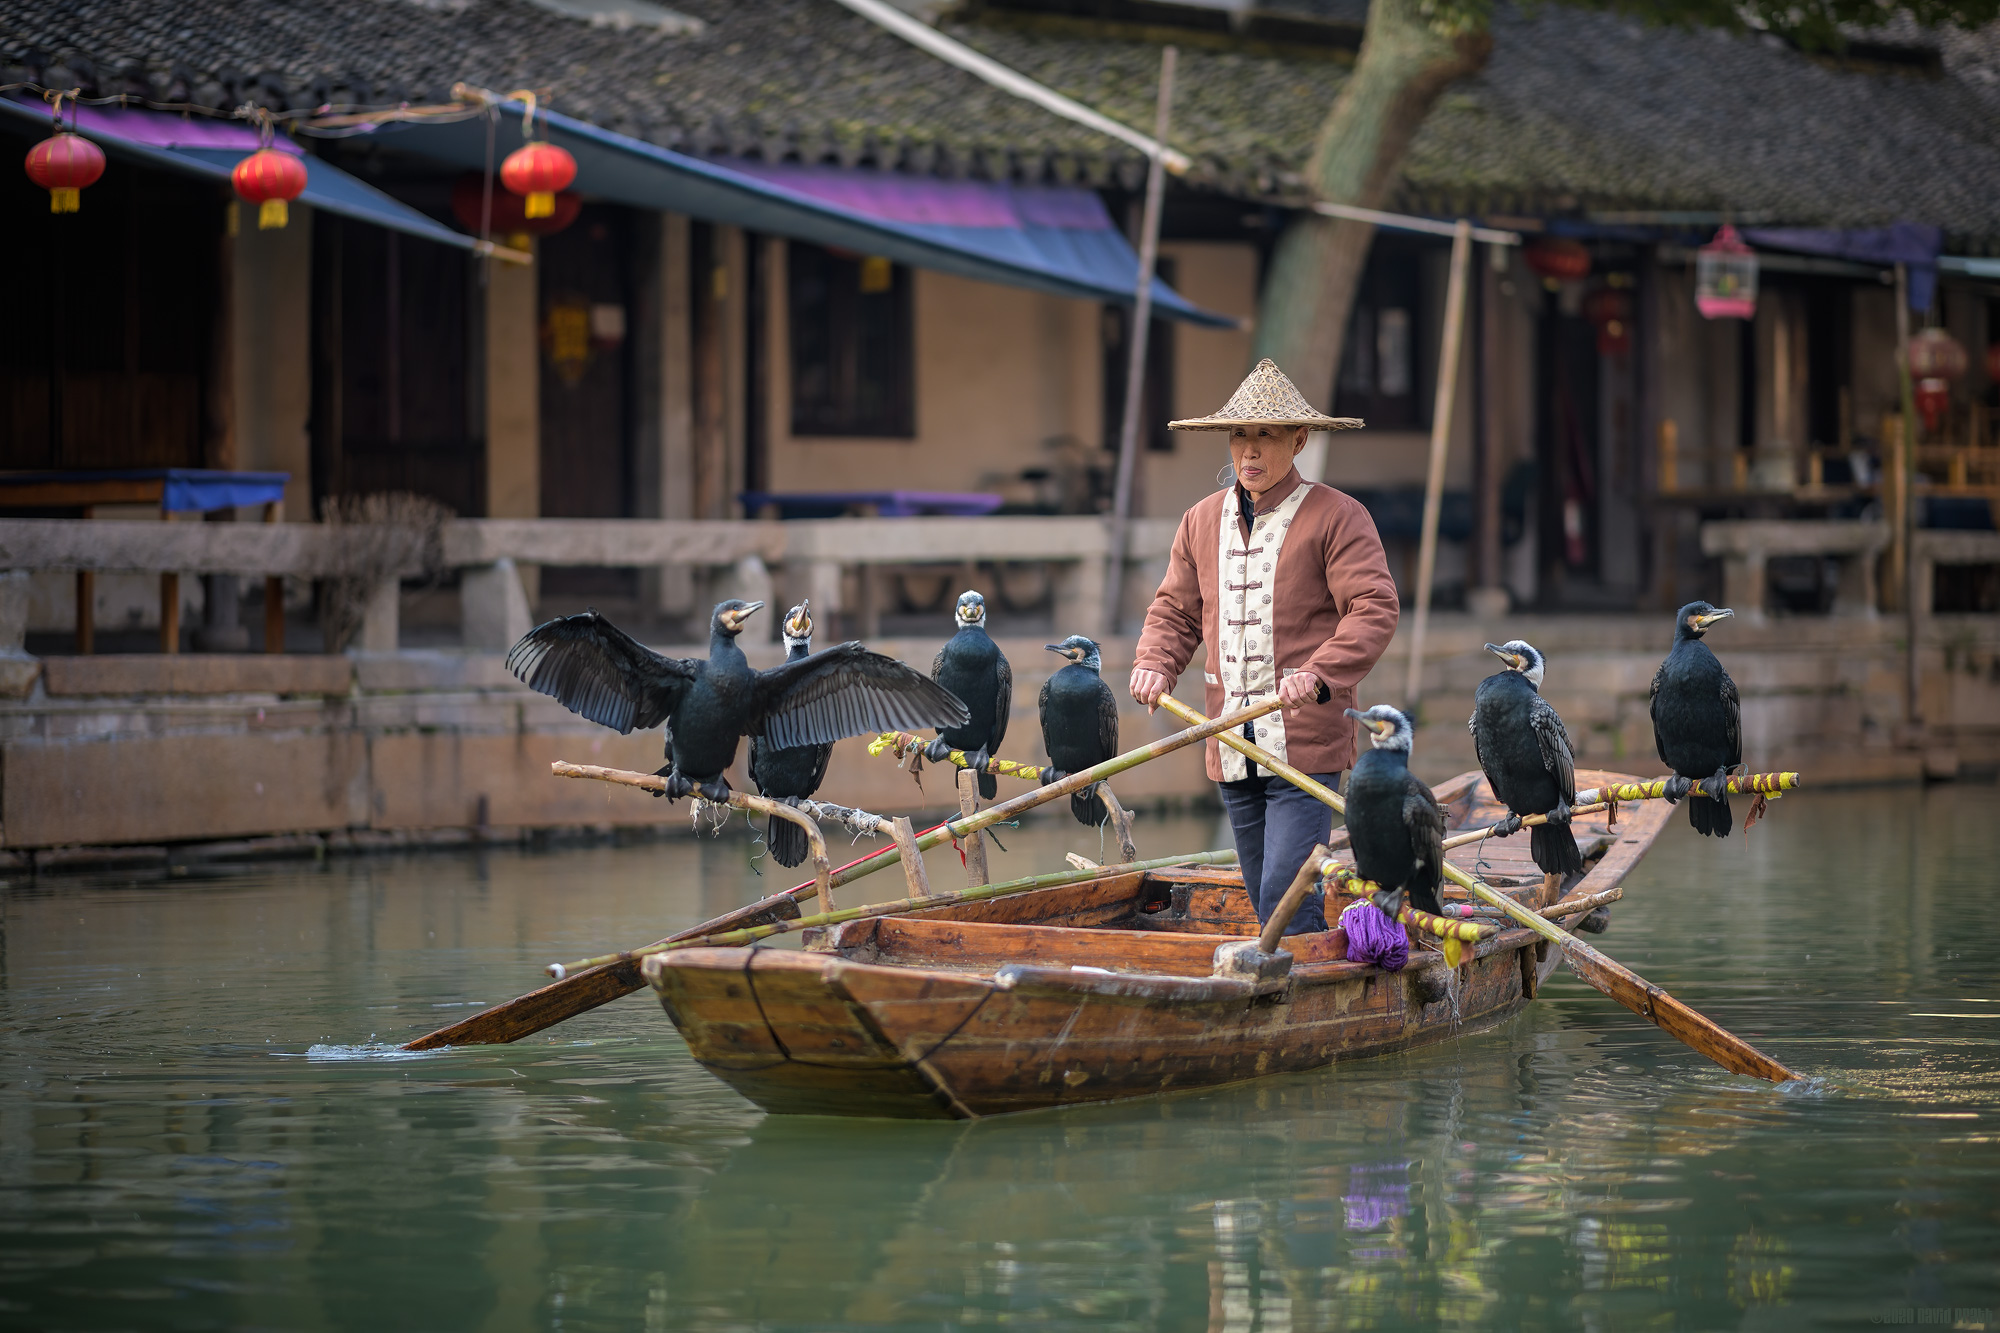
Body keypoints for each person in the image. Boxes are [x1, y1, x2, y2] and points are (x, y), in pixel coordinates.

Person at [1129, 359, 1399, 936]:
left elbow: (1373, 609)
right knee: (1260, 890)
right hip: (1228, 738)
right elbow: (1176, 612)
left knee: (1287, 888)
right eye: (1240, 436)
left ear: (1298, 440)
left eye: (1266, 436)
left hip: (1306, 739)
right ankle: (1282, 983)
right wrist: (1154, 664)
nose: (1250, 452)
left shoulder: (1339, 515)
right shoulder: (1200, 520)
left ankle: (1295, 997)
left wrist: (1320, 671)